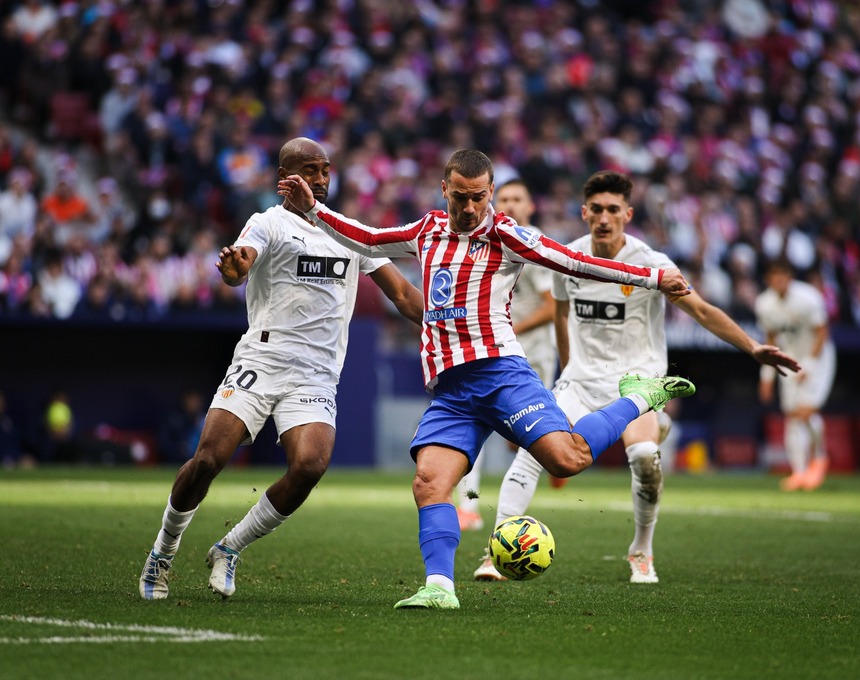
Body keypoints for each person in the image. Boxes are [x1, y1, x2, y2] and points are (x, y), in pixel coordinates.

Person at [278, 149, 698, 610]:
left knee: (567, 459)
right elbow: (369, 238)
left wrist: (653, 277)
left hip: (501, 374)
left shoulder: (506, 234)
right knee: (429, 483)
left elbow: (572, 262)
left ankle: (638, 399)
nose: (470, 207)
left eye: (479, 197)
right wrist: (313, 210)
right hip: (452, 390)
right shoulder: (427, 230)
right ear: (445, 190)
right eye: (461, 197)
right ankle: (440, 587)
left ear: (491, 192)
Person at [471, 171, 801, 583]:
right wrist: (569, 368)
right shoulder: (566, 258)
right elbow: (559, 314)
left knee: (644, 458)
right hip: (580, 381)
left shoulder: (651, 264)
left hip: (637, 384)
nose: (604, 218)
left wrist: (752, 347)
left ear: (627, 214)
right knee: (530, 452)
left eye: (613, 210)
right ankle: (493, 552)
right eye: (597, 209)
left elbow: (701, 311)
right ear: (584, 212)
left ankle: (641, 551)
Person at [138, 137, 424, 601]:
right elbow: (239, 266)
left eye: (325, 170)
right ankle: (162, 553)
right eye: (309, 170)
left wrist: (452, 326)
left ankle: (229, 548)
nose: (320, 179)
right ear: (284, 179)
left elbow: (405, 296)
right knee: (209, 458)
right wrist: (232, 270)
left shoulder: (348, 231)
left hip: (315, 373)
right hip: (262, 360)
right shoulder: (267, 222)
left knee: (310, 464)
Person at [454, 178, 557, 532]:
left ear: (530, 207)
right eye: (506, 198)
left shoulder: (532, 242)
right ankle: (467, 506)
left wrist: (511, 330)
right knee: (475, 421)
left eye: (519, 199)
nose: (511, 205)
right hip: (496, 350)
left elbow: (552, 307)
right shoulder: (488, 239)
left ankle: (555, 457)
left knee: (528, 438)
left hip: (535, 352)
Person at [755, 259, 836, 491]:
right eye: (775, 275)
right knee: (791, 416)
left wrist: (809, 366)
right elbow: (770, 339)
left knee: (806, 411)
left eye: (784, 275)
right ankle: (798, 472)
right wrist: (767, 376)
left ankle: (819, 459)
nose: (780, 280)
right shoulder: (764, 304)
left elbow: (822, 333)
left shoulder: (809, 297)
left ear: (790, 277)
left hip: (818, 359)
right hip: (789, 359)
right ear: (768, 279)